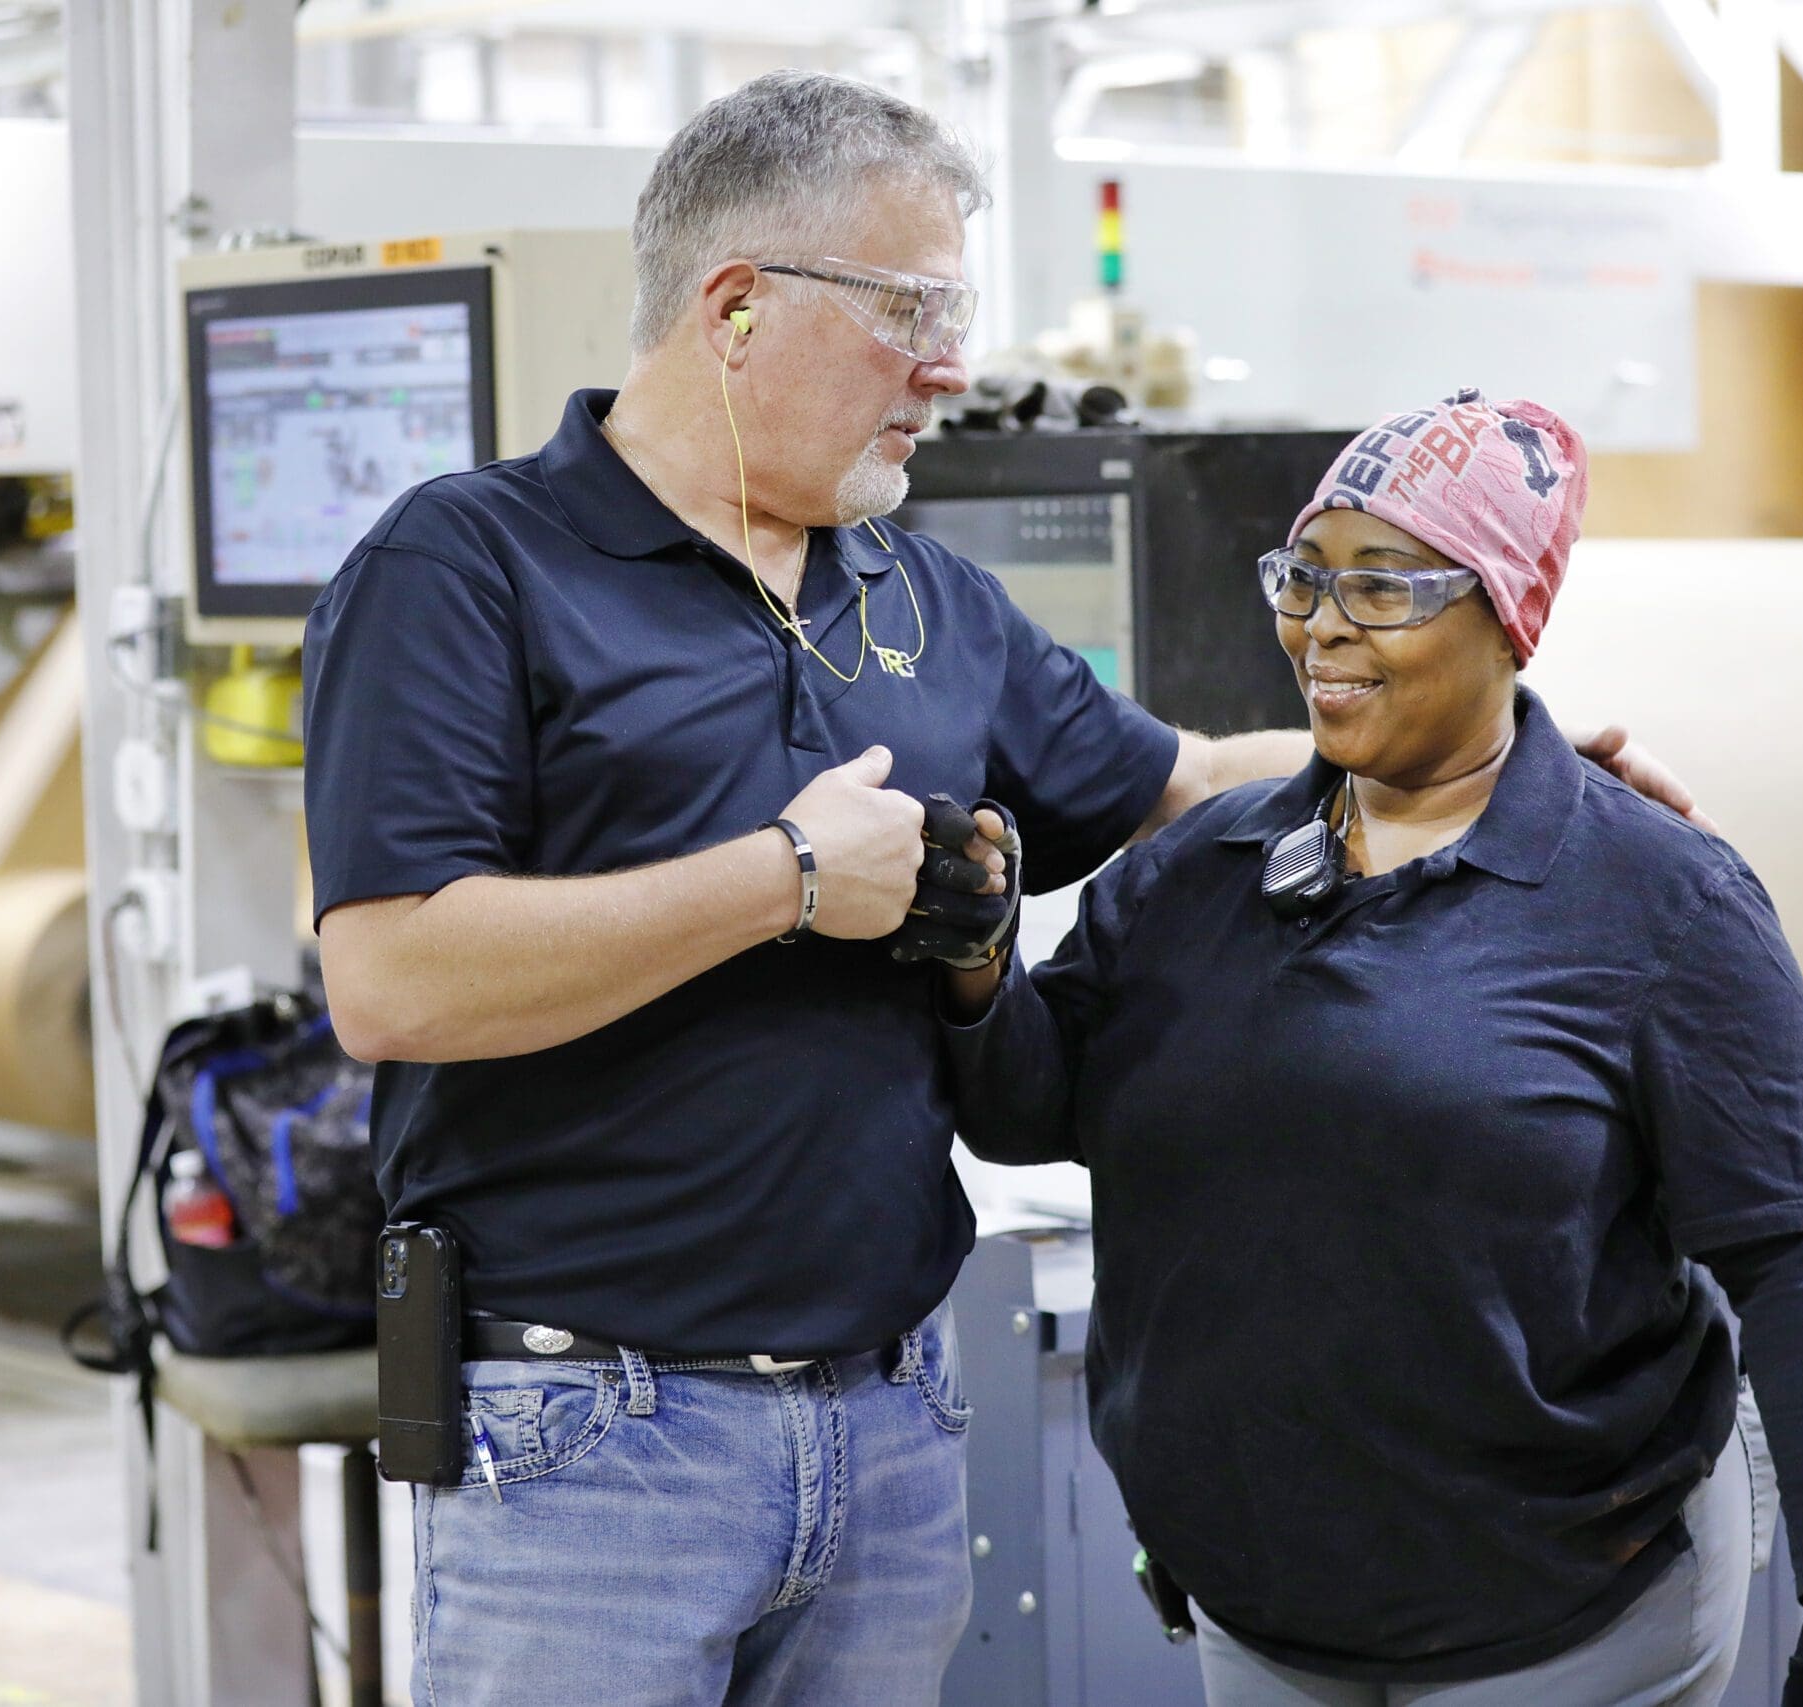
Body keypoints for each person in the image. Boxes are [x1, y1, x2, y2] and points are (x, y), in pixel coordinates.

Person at [304, 71, 1703, 1707]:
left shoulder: (921, 594)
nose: (949, 369)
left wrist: (1479, 759)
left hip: (890, 1423)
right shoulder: (465, 569)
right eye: (910, 311)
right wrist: (783, 881)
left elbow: (1182, 778)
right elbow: (391, 979)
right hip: (592, 1445)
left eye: (952, 316)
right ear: (737, 307)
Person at [939, 391, 1803, 1707]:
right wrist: (975, 963)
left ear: (1508, 617)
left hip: (1564, 1615)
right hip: (1264, 1617)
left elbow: (1792, 1258)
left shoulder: (1659, 900)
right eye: (1304, 577)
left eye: (1384, 587)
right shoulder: (1196, 873)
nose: (1322, 626)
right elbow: (1031, 1111)